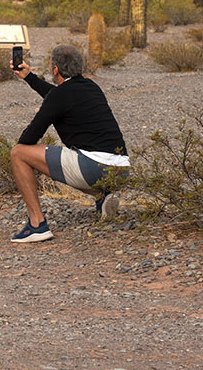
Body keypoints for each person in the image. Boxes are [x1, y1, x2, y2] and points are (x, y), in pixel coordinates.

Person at [8, 44, 129, 242]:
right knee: (76, 157)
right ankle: (102, 196)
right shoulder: (91, 87)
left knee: (18, 153)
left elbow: (28, 139)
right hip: (121, 170)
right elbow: (58, 96)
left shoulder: (59, 96)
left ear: (55, 69)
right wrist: (30, 78)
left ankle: (37, 224)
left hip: (93, 168)